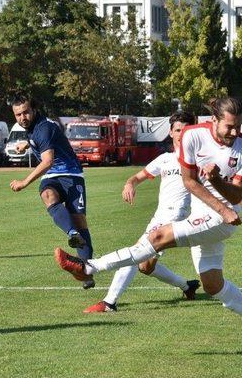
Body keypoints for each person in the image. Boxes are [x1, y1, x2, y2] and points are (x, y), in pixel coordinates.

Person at [54, 97, 242, 354]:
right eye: (229, 126)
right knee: (212, 284)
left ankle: (88, 267)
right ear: (214, 121)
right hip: (207, 214)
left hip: (222, 219)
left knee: (156, 238)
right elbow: (190, 182)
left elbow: (233, 195)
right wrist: (218, 202)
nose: (234, 132)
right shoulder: (192, 136)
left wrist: (219, 188)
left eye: (238, 126)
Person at [85, 112, 201, 313]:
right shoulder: (164, 159)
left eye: (186, 129)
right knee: (146, 266)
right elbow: (137, 177)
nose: (182, 134)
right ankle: (187, 286)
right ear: (171, 133)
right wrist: (129, 184)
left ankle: (109, 301)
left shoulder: (199, 158)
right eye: (177, 130)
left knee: (137, 252)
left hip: (177, 216)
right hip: (160, 216)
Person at [8, 94, 95, 289]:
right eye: (18, 114)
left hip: (72, 175)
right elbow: (39, 144)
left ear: (34, 110)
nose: (23, 117)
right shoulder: (33, 129)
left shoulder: (43, 128)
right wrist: (27, 144)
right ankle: (72, 233)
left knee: (80, 222)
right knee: (48, 195)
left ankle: (87, 273)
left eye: (26, 112)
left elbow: (47, 161)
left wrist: (24, 182)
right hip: (52, 178)